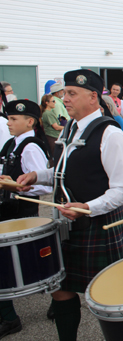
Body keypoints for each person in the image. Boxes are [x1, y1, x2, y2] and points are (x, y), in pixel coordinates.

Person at [16, 69, 123, 340]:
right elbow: (61, 171)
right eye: (64, 93)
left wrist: (88, 207)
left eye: (71, 93)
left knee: (111, 292)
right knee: (61, 287)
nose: (64, 99)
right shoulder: (69, 127)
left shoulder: (110, 133)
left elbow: (122, 191)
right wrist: (37, 175)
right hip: (66, 224)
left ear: (93, 97)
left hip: (99, 225)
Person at [0, 99, 52, 339]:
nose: (8, 123)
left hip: (22, 214)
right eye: (9, 119)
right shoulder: (11, 143)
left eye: (13, 119)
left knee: (35, 267)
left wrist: (22, 188)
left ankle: (10, 318)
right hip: (8, 212)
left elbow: (43, 186)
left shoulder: (30, 146)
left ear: (29, 121)